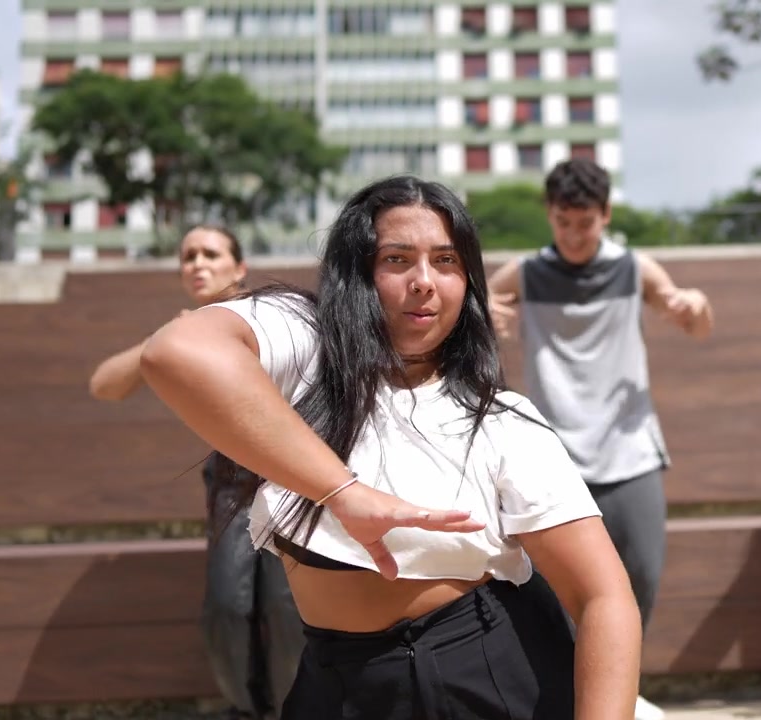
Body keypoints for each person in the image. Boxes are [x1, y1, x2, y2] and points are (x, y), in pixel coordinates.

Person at [137, 175, 643, 720]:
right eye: (397, 259)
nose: (424, 281)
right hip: (335, 681)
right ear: (357, 271)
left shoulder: (502, 420)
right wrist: (344, 493)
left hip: (487, 672)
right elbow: (174, 353)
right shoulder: (303, 346)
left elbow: (605, 598)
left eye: (446, 261)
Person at [487, 158, 714, 720]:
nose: (573, 235)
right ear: (549, 214)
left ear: (606, 214)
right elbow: (473, 309)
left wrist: (694, 307)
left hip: (628, 449)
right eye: (563, 222)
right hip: (552, 455)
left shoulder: (635, 269)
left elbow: (694, 321)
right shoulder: (527, 273)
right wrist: (483, 311)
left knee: (641, 575)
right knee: (555, 589)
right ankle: (573, 695)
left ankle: (620, 689)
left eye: (585, 222)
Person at [88, 225, 303, 719]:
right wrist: (166, 338)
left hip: (294, 479)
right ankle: (248, 710)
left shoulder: (271, 315)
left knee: (286, 608)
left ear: (239, 266)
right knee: (227, 607)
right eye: (188, 256)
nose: (198, 264)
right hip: (233, 484)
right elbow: (105, 385)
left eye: (210, 253)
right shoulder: (183, 333)